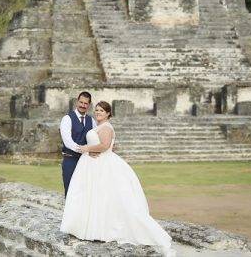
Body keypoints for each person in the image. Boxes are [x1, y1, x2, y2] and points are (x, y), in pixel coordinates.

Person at [60, 101, 175, 256]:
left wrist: (87, 148)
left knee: (106, 197)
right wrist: (91, 149)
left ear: (108, 113)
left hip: (102, 165)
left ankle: (103, 229)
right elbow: (104, 144)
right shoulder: (97, 126)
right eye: (97, 110)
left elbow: (105, 145)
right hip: (92, 165)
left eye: (101, 110)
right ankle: (90, 228)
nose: (98, 112)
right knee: (93, 197)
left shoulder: (106, 127)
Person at [60, 91, 96, 197]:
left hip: (86, 161)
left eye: (85, 103)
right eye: (81, 102)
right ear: (77, 102)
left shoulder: (92, 121)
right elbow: (67, 142)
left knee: (84, 191)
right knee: (70, 189)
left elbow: (94, 139)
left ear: (89, 105)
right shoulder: (67, 119)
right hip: (70, 159)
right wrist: (84, 150)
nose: (82, 105)